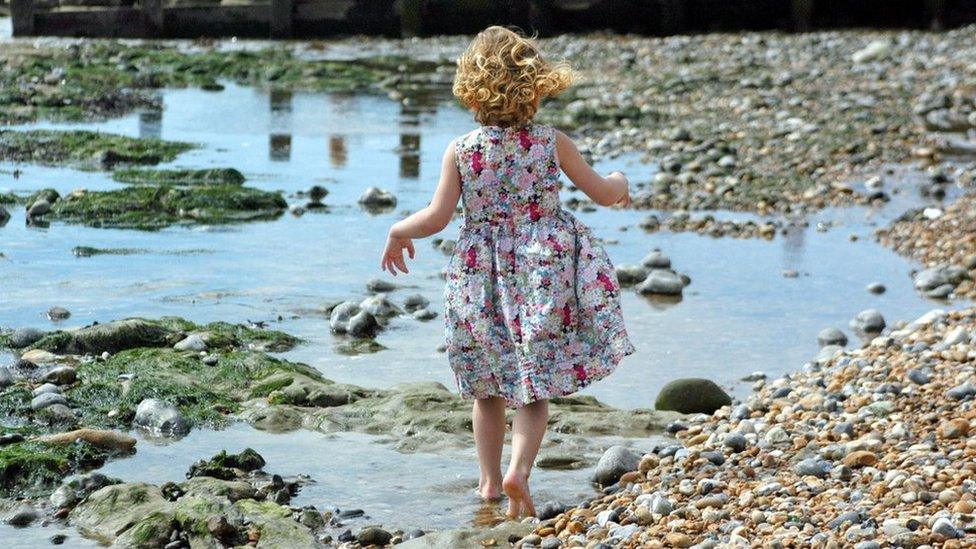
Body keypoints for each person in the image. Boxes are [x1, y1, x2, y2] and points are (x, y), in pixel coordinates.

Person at [380, 25, 634, 519]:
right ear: (535, 85)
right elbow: (602, 192)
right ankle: (521, 470)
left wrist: (397, 229)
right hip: (543, 273)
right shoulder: (549, 142)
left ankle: (490, 484)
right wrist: (620, 181)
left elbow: (436, 218)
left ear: (470, 88)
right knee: (533, 386)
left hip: (481, 278)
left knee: (487, 388)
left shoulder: (463, 149)